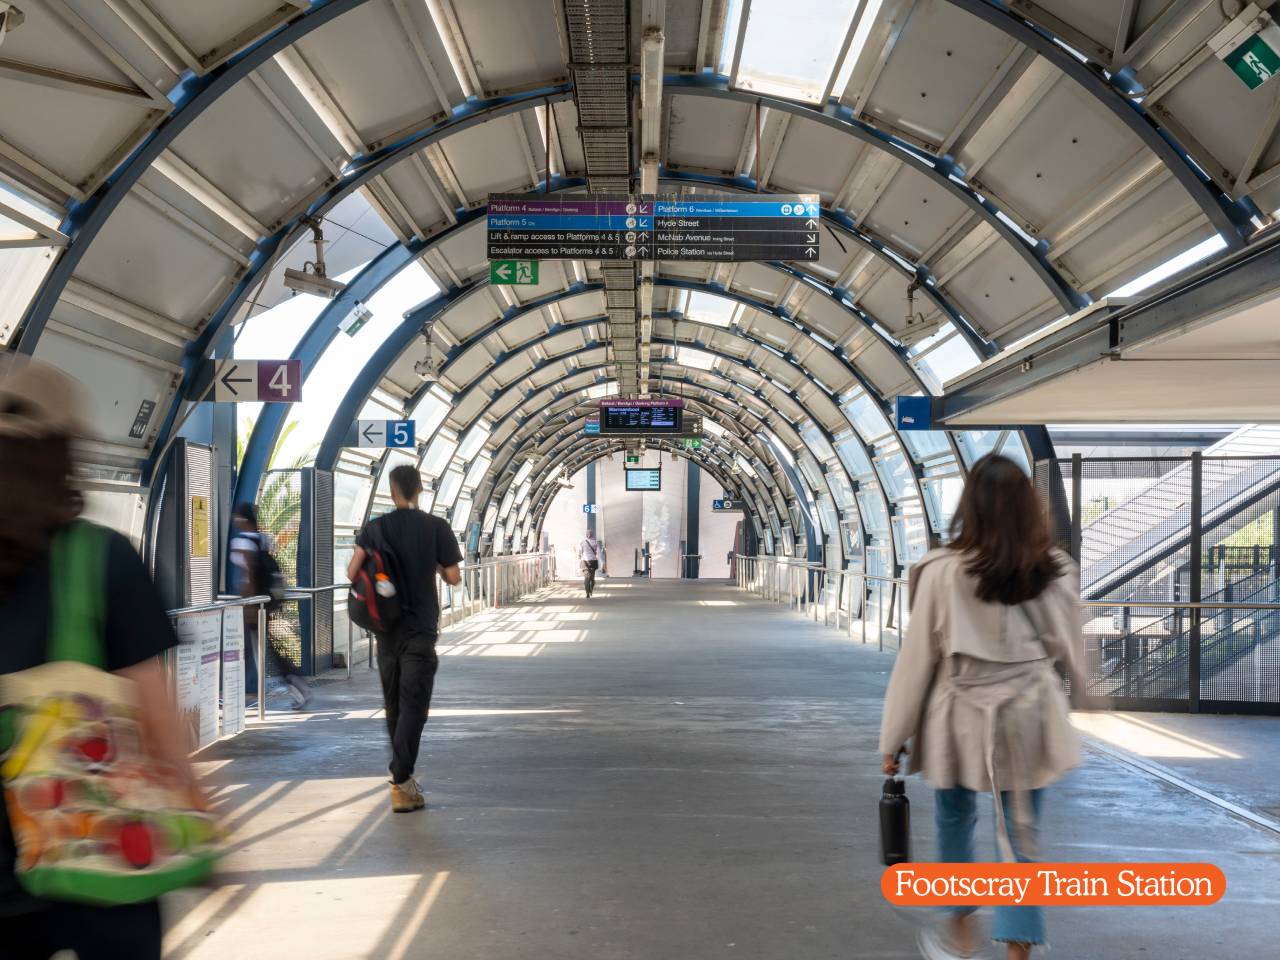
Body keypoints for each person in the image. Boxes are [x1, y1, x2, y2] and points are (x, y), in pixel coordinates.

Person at [0, 357, 198, 959]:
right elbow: (157, 717)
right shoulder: (100, 558)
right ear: (61, 454)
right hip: (97, 854)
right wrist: (199, 812)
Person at [879, 454, 1085, 960]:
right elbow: (1071, 647)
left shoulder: (941, 571)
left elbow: (917, 660)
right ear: (1028, 507)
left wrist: (894, 738)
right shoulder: (1055, 570)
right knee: (1021, 833)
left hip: (960, 715)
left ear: (968, 507)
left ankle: (961, 929)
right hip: (1031, 714)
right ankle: (1018, 949)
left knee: (954, 819)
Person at [347, 465, 462, 813]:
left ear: (392, 490)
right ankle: (401, 779)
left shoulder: (375, 528)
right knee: (414, 704)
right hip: (420, 629)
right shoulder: (436, 527)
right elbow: (454, 577)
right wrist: (433, 565)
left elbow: (351, 572)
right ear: (420, 489)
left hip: (386, 628)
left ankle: (402, 779)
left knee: (394, 703)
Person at [230, 502, 310, 710]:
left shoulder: (242, 541)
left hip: (253, 602)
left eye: (237, 517)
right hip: (268, 600)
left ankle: (240, 697)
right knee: (262, 647)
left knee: (247, 649)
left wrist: (249, 605)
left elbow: (249, 574)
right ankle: (294, 681)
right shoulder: (263, 538)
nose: (234, 520)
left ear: (243, 519)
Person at [578, 531, 601, 598]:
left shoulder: (582, 542)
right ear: (592, 535)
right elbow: (599, 552)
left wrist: (579, 556)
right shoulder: (595, 542)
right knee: (592, 578)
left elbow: (580, 552)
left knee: (586, 577)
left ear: (586, 535)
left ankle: (587, 593)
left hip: (584, 561)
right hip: (593, 561)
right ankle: (590, 590)